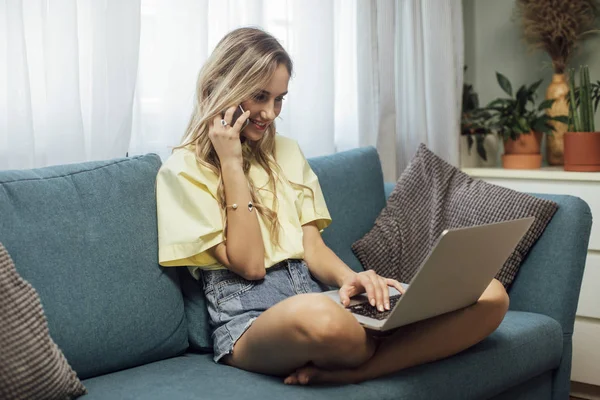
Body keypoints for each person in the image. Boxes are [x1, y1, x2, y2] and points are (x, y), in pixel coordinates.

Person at [155, 27, 509, 386]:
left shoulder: (286, 152)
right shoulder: (181, 172)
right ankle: (384, 346)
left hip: (313, 300)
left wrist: (351, 279)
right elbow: (249, 266)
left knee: (491, 293)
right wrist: (231, 164)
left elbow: (312, 247)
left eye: (279, 99)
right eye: (260, 96)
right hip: (248, 325)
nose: (269, 113)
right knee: (326, 321)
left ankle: (368, 366)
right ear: (220, 87)